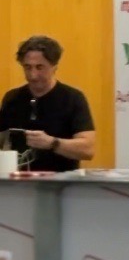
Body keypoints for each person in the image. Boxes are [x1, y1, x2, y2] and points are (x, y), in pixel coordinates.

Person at [0, 36, 95, 172]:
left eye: (40, 67)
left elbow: (88, 150)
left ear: (54, 67)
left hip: (61, 182)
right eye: (27, 67)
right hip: (20, 181)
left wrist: (52, 143)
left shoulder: (73, 98)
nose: (33, 75)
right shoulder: (12, 98)